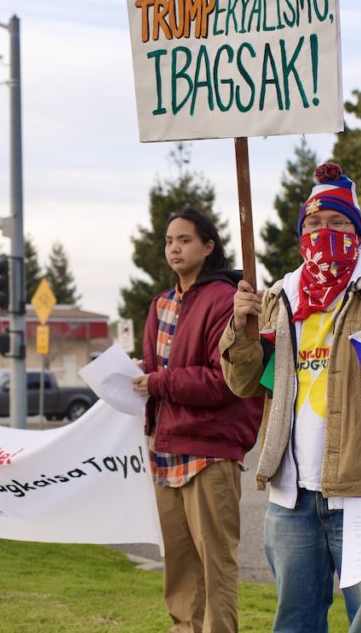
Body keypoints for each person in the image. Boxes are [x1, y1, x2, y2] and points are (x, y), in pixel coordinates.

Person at [220, 163, 361, 633]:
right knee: (294, 622)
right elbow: (247, 384)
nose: (324, 231)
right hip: (292, 497)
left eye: (338, 222)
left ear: (358, 230)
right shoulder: (280, 296)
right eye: (314, 223)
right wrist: (240, 330)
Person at [133, 207, 264, 633]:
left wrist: (159, 382)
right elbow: (157, 373)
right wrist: (142, 376)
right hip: (167, 449)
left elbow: (224, 383)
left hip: (211, 453)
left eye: (185, 240)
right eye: (170, 240)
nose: (174, 248)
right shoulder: (161, 304)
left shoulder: (227, 300)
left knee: (215, 568)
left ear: (208, 247)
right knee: (180, 569)